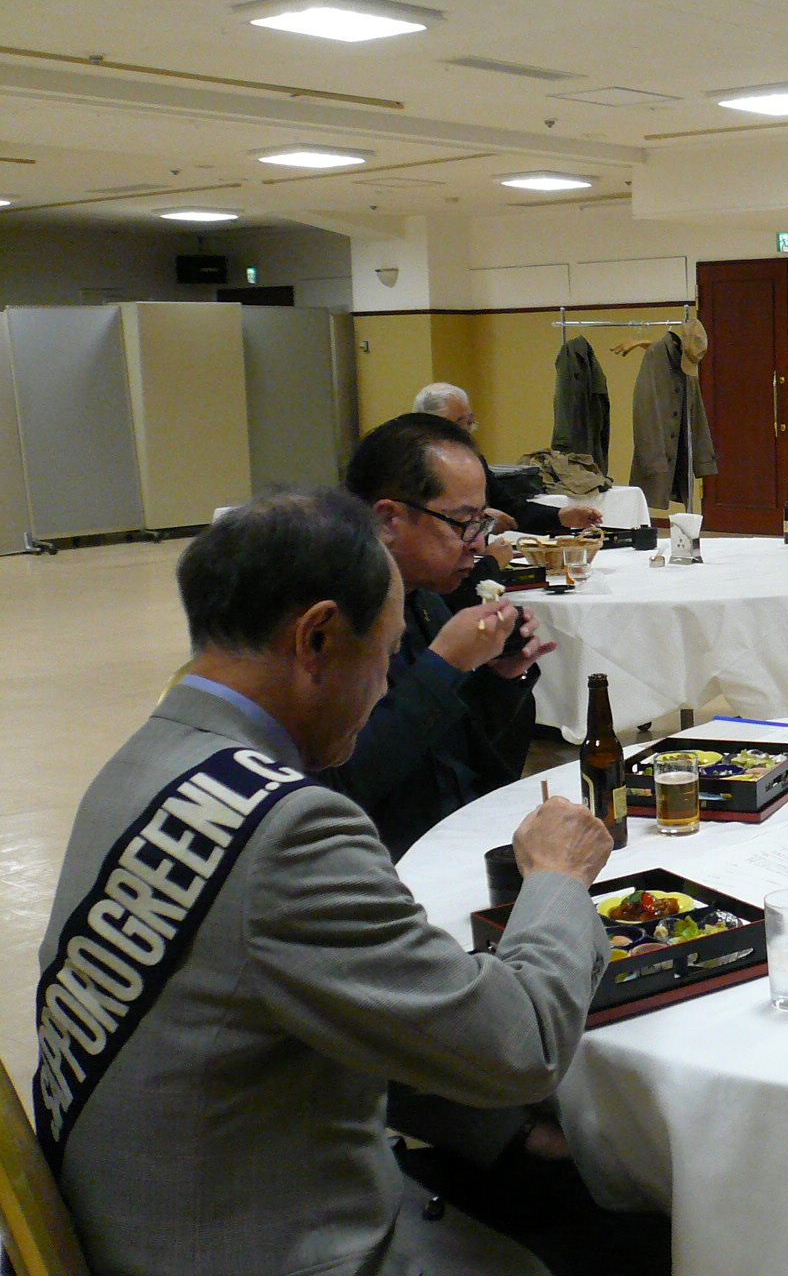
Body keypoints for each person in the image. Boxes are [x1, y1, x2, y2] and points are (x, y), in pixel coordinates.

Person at [34, 490, 612, 1276]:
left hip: (150, 1215)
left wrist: (506, 1133)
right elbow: (524, 1045)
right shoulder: (287, 828)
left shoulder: (139, 763)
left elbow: (289, 1014)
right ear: (317, 638)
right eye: (386, 655)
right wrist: (557, 879)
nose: (383, 689)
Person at [323, 413, 555, 858]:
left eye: (482, 523)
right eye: (461, 523)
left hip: (457, 838)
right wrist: (444, 665)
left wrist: (500, 676)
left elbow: (463, 754)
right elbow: (343, 786)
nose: (479, 544)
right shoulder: (332, 622)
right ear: (387, 519)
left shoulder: (425, 597)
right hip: (384, 862)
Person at [415, 382, 602, 535]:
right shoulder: (412, 464)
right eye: (458, 424)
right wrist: (478, 519)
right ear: (428, 425)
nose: (467, 432)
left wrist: (560, 516)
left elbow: (510, 508)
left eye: (470, 422)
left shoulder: (473, 461)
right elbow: (424, 518)